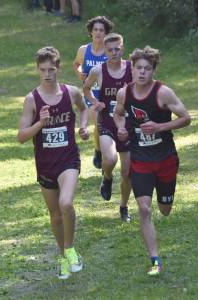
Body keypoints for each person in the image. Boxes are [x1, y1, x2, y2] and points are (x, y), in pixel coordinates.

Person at [114, 46, 191, 275]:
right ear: (132, 69)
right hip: (141, 159)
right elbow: (118, 113)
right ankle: (155, 260)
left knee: (164, 209)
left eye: (147, 69)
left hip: (165, 158)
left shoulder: (163, 93)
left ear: (153, 70)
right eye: (138, 68)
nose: (142, 73)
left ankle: (165, 198)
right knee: (144, 209)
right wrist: (121, 129)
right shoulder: (124, 94)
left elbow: (186, 117)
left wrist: (161, 127)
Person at [17, 46, 89, 280]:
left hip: (68, 158)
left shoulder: (71, 92)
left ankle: (70, 249)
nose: (47, 74)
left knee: (66, 203)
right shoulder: (32, 100)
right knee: (55, 214)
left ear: (58, 67)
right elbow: (21, 137)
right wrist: (40, 123)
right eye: (43, 70)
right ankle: (63, 256)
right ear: (37, 70)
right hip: (45, 163)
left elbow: (83, 108)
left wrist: (84, 126)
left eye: (51, 69)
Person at [83, 33, 133, 222]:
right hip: (107, 122)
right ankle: (107, 176)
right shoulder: (98, 71)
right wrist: (95, 102)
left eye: (117, 49)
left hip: (128, 124)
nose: (114, 52)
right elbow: (86, 88)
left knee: (127, 172)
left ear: (123, 48)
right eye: (110, 49)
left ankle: (124, 207)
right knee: (110, 159)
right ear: (104, 51)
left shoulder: (132, 68)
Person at [73, 16, 114, 169]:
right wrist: (79, 74)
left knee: (105, 126)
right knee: (98, 123)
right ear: (90, 32)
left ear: (106, 33)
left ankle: (100, 150)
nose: (98, 33)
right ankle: (100, 152)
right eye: (95, 30)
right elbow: (76, 64)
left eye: (101, 30)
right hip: (90, 93)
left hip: (108, 94)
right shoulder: (84, 50)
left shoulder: (110, 51)